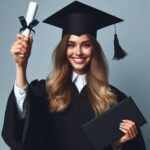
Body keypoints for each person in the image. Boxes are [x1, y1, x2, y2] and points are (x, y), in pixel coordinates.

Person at [2, 1, 146, 150]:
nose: (78, 52)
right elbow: (21, 126)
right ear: (63, 49)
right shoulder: (45, 92)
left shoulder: (113, 98)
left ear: (94, 49)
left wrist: (118, 144)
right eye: (71, 45)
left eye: (86, 45)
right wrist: (21, 67)